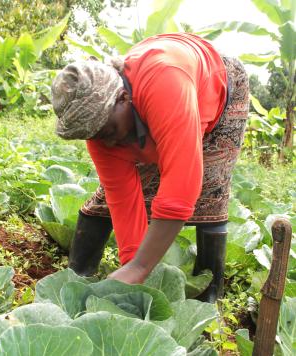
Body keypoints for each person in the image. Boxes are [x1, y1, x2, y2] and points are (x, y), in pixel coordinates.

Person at [51, 33, 249, 303]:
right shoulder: (100, 131)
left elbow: (181, 187)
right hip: (150, 109)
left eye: (109, 130)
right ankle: (80, 271)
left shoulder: (164, 81)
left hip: (218, 89)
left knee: (209, 190)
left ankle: (209, 298)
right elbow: (122, 199)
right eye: (96, 135)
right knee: (106, 201)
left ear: (122, 98)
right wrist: (133, 271)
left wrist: (140, 268)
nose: (106, 141)